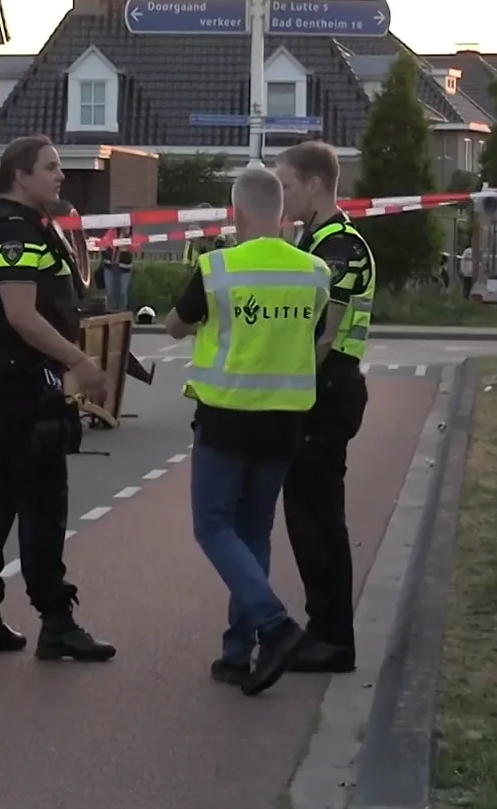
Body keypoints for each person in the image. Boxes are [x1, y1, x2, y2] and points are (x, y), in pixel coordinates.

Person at [165, 164, 329, 695]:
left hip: (228, 418)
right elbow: (314, 330)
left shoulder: (217, 268)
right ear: (281, 214)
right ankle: (238, 653)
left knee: (213, 526)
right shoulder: (314, 272)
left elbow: (174, 326)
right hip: (285, 422)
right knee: (254, 531)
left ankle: (275, 626)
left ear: (235, 213)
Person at [0, 134, 116, 664]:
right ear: (21, 175)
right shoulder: (16, 230)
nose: (60, 175)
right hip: (17, 377)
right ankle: (56, 620)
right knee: (42, 498)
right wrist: (80, 362)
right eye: (50, 167)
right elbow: (22, 315)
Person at [274, 141, 376, 675]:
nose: (280, 196)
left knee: (317, 518)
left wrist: (283, 385)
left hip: (327, 387)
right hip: (319, 388)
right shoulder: (314, 240)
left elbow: (323, 335)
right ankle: (324, 629)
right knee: (307, 514)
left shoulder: (338, 246)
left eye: (286, 185)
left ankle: (333, 638)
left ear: (314, 184)